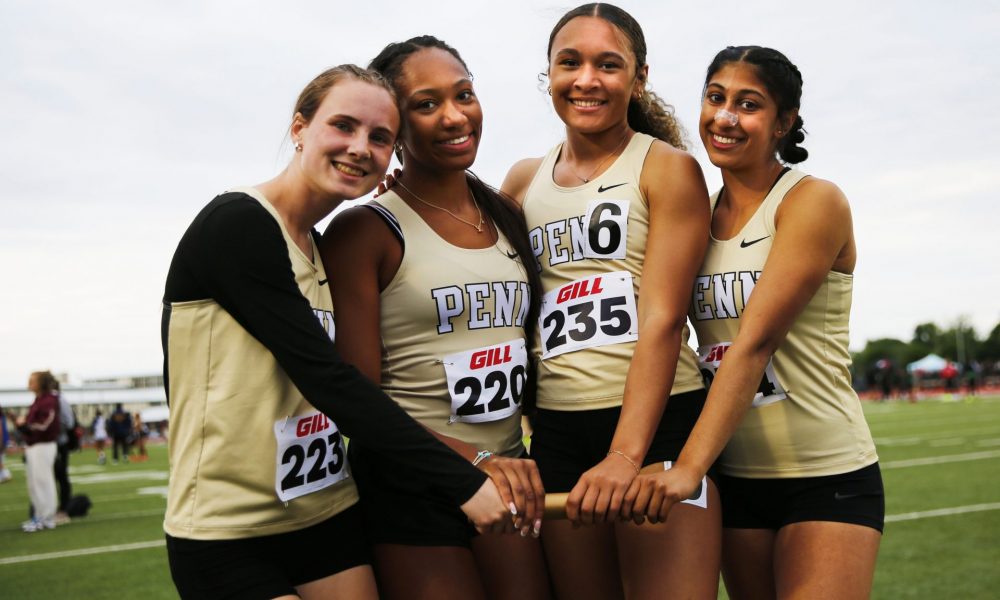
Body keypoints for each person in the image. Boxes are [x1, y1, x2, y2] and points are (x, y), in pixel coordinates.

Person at [161, 63, 510, 600]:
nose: (359, 148)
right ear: (300, 129)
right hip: (229, 528)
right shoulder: (239, 225)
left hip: (326, 511)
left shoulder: (323, 246)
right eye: (342, 126)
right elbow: (330, 380)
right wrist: (462, 478)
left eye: (379, 138)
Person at [623, 46, 883, 599]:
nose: (725, 117)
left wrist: (688, 467)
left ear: (784, 122)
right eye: (715, 98)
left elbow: (754, 343)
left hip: (826, 474)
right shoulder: (695, 212)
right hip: (736, 478)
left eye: (748, 105)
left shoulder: (812, 200)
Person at [501, 4, 719, 598]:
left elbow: (664, 319)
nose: (586, 79)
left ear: (639, 77)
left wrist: (626, 454)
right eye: (569, 62)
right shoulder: (522, 181)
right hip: (558, 435)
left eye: (608, 64)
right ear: (548, 73)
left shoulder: (667, 169)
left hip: (657, 430)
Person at [320, 37, 550, 600]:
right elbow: (358, 397)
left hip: (509, 477)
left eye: (463, 95)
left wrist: (505, 457)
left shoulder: (507, 215)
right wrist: (473, 460)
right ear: (395, 126)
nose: (454, 117)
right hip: (412, 484)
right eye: (426, 104)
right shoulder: (365, 230)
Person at [17, 371, 61, 532]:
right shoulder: (39, 400)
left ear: (41, 383)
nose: (29, 383)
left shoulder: (49, 400)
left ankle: (46, 517)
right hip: (35, 444)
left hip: (44, 445)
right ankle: (40, 515)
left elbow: (45, 424)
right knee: (34, 483)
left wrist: (26, 425)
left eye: (32, 381)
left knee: (43, 481)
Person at [53, 381, 74, 524]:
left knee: (61, 476)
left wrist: (54, 429)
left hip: (59, 443)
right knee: (48, 477)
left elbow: (69, 422)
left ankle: (64, 509)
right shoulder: (42, 400)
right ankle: (48, 509)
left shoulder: (59, 400)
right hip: (48, 444)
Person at [0, 403, 12, 483]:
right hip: (4, 440)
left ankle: (4, 475)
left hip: (1, 440)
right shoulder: (2, 417)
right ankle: (5, 474)